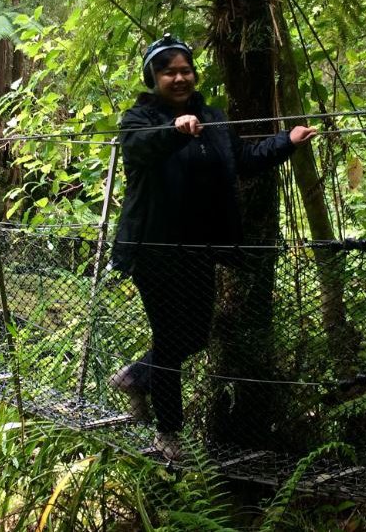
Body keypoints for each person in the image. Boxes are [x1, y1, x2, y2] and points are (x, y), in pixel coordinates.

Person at [109, 33, 316, 459]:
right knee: (169, 338)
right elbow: (142, 148)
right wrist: (174, 129)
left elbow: (244, 160)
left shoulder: (212, 118)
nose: (179, 78)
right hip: (155, 249)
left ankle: (136, 376)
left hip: (199, 249)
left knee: (196, 335)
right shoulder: (139, 120)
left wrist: (287, 142)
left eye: (185, 70)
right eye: (169, 72)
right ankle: (169, 434)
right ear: (154, 77)